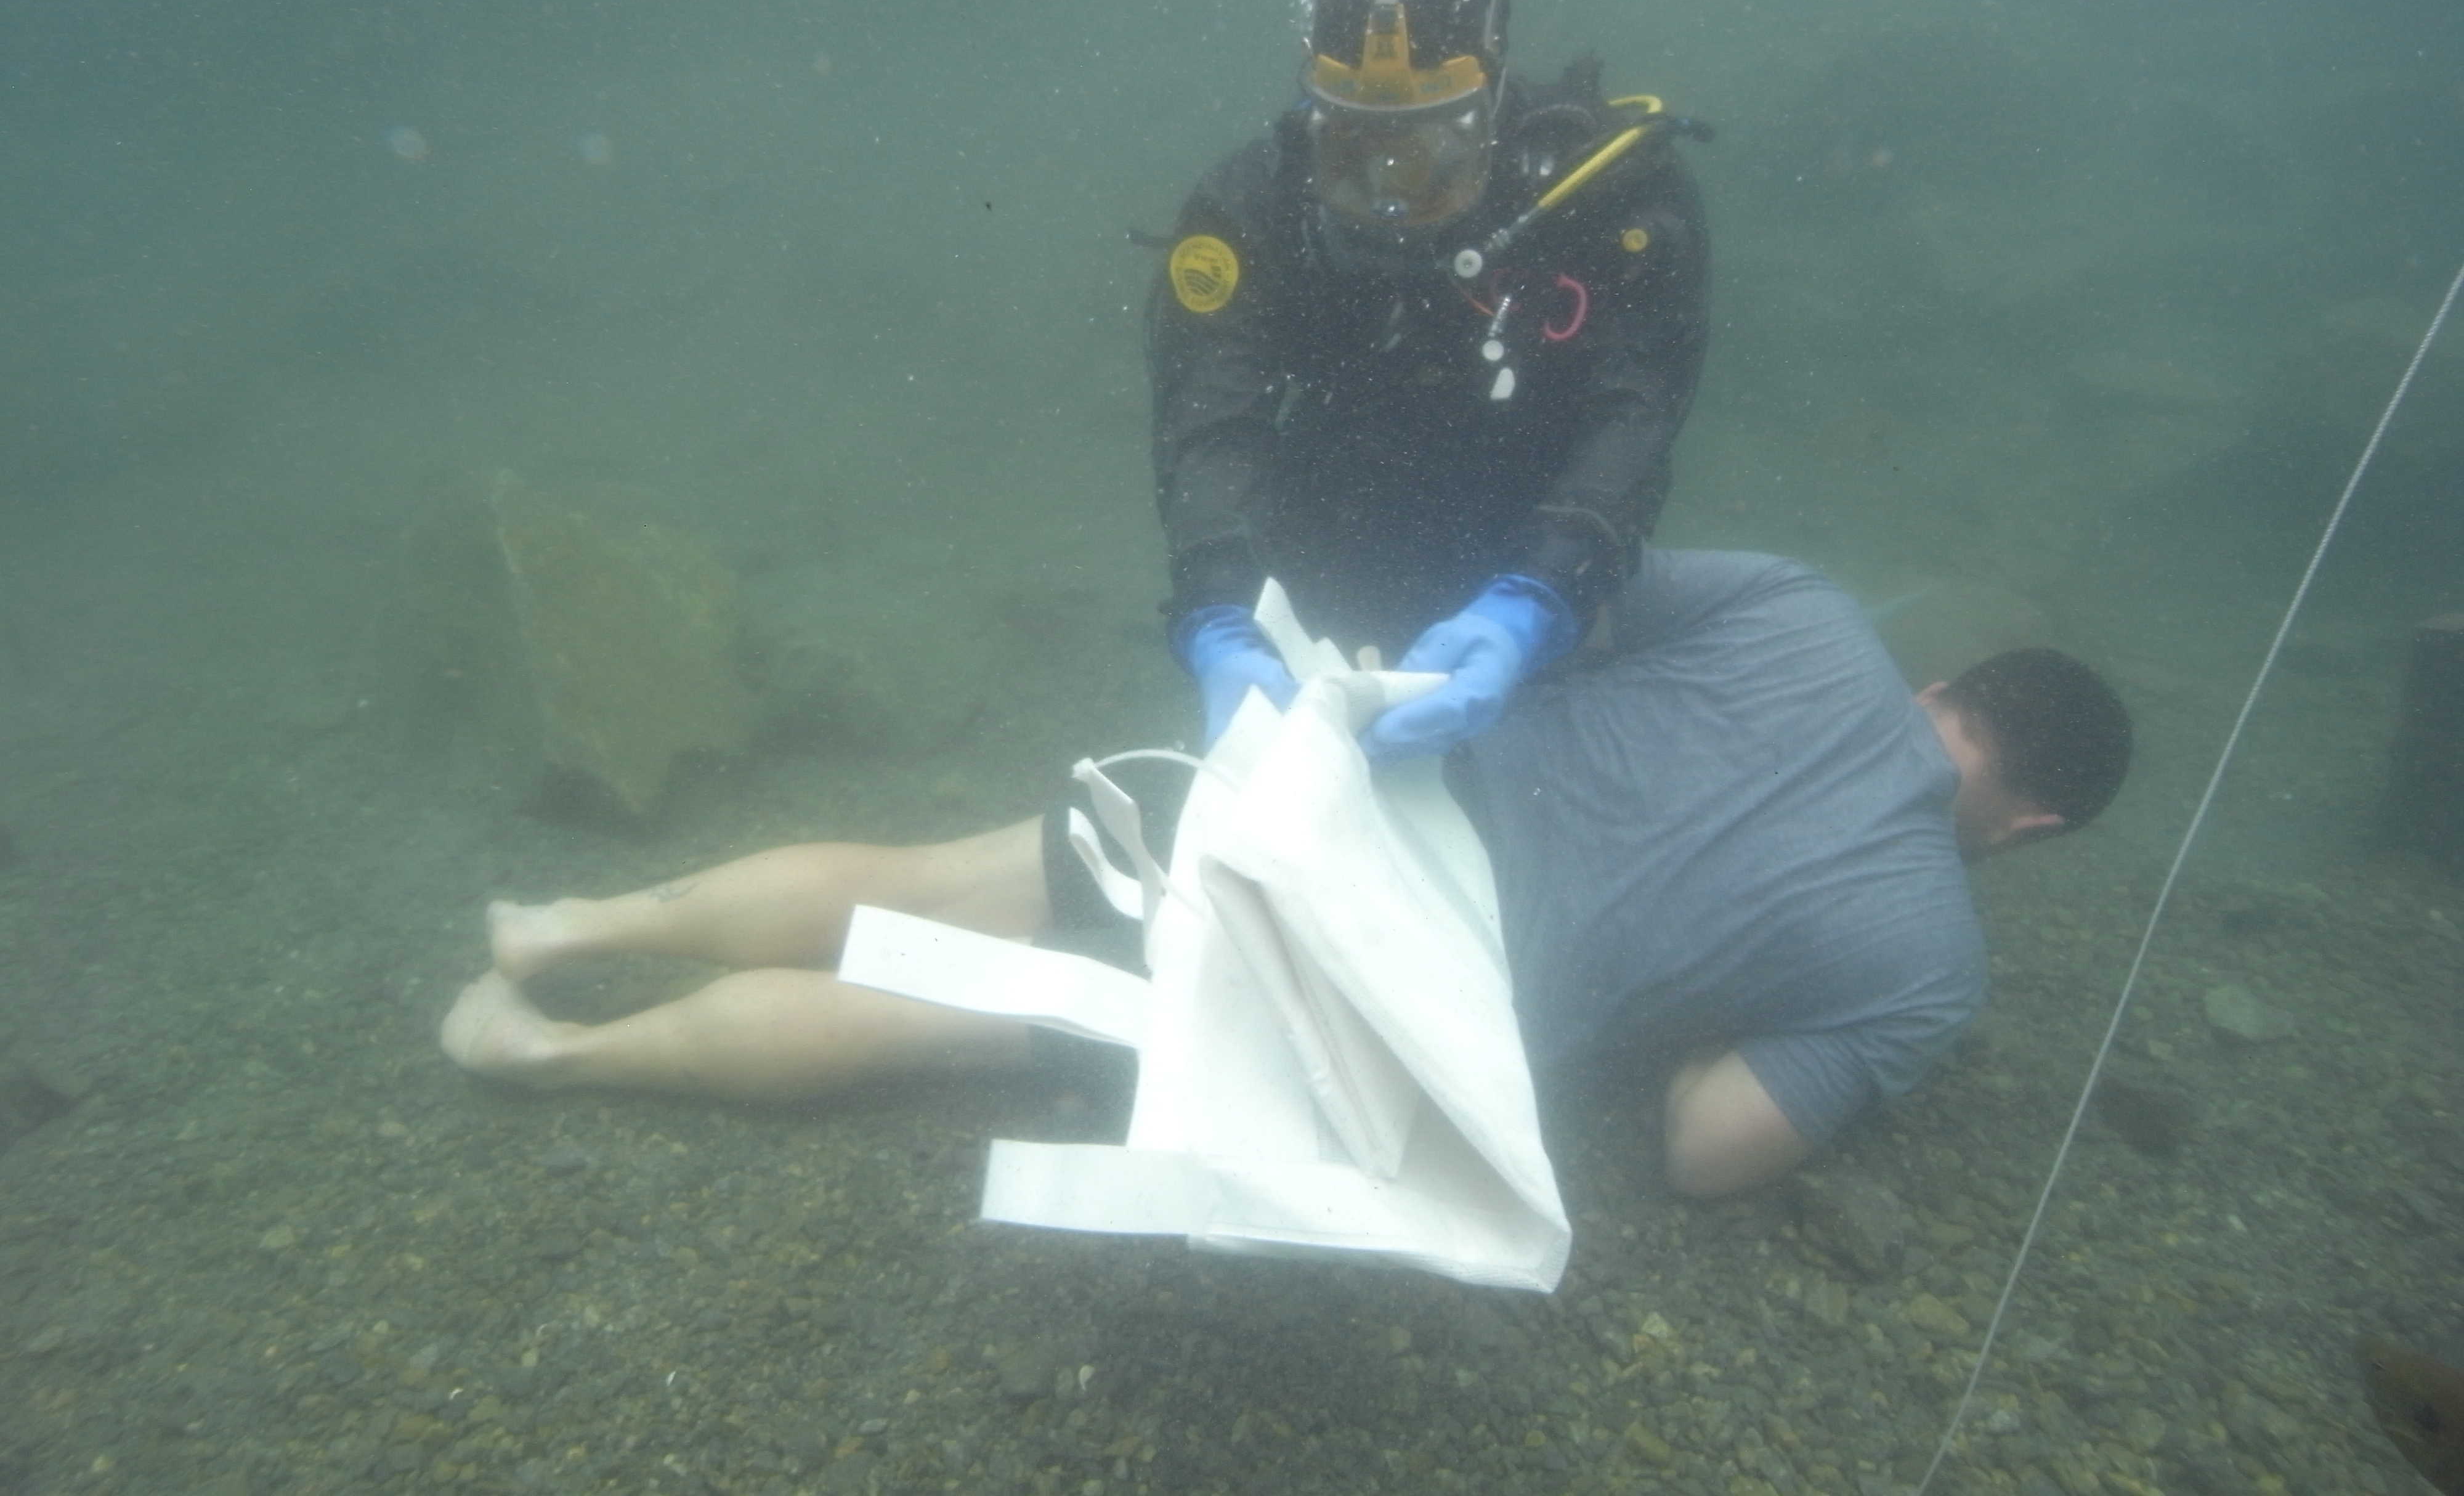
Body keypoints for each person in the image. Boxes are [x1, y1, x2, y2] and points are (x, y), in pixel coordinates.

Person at [440, 551, 2132, 1198]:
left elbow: (1541, 603)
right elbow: (1710, 1150)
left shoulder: (1805, 609)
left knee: (941, 878)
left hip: (1330, 807)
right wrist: (1698, 1032)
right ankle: (553, 1055)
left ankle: (573, 923)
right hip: (1394, 1001)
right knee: (933, 1025)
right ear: (2033, 825)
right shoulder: (1929, 965)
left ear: (1952, 687)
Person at [1148, 0, 1714, 760]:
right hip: (1324, 553)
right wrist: (1220, 608)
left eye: (1430, 146)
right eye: (1353, 141)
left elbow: (1633, 412)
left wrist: (1542, 598)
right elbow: (1208, 418)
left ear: (1489, 101)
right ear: (1311, 105)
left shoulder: (1612, 204)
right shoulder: (1249, 211)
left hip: (1536, 540)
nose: (1390, 190)